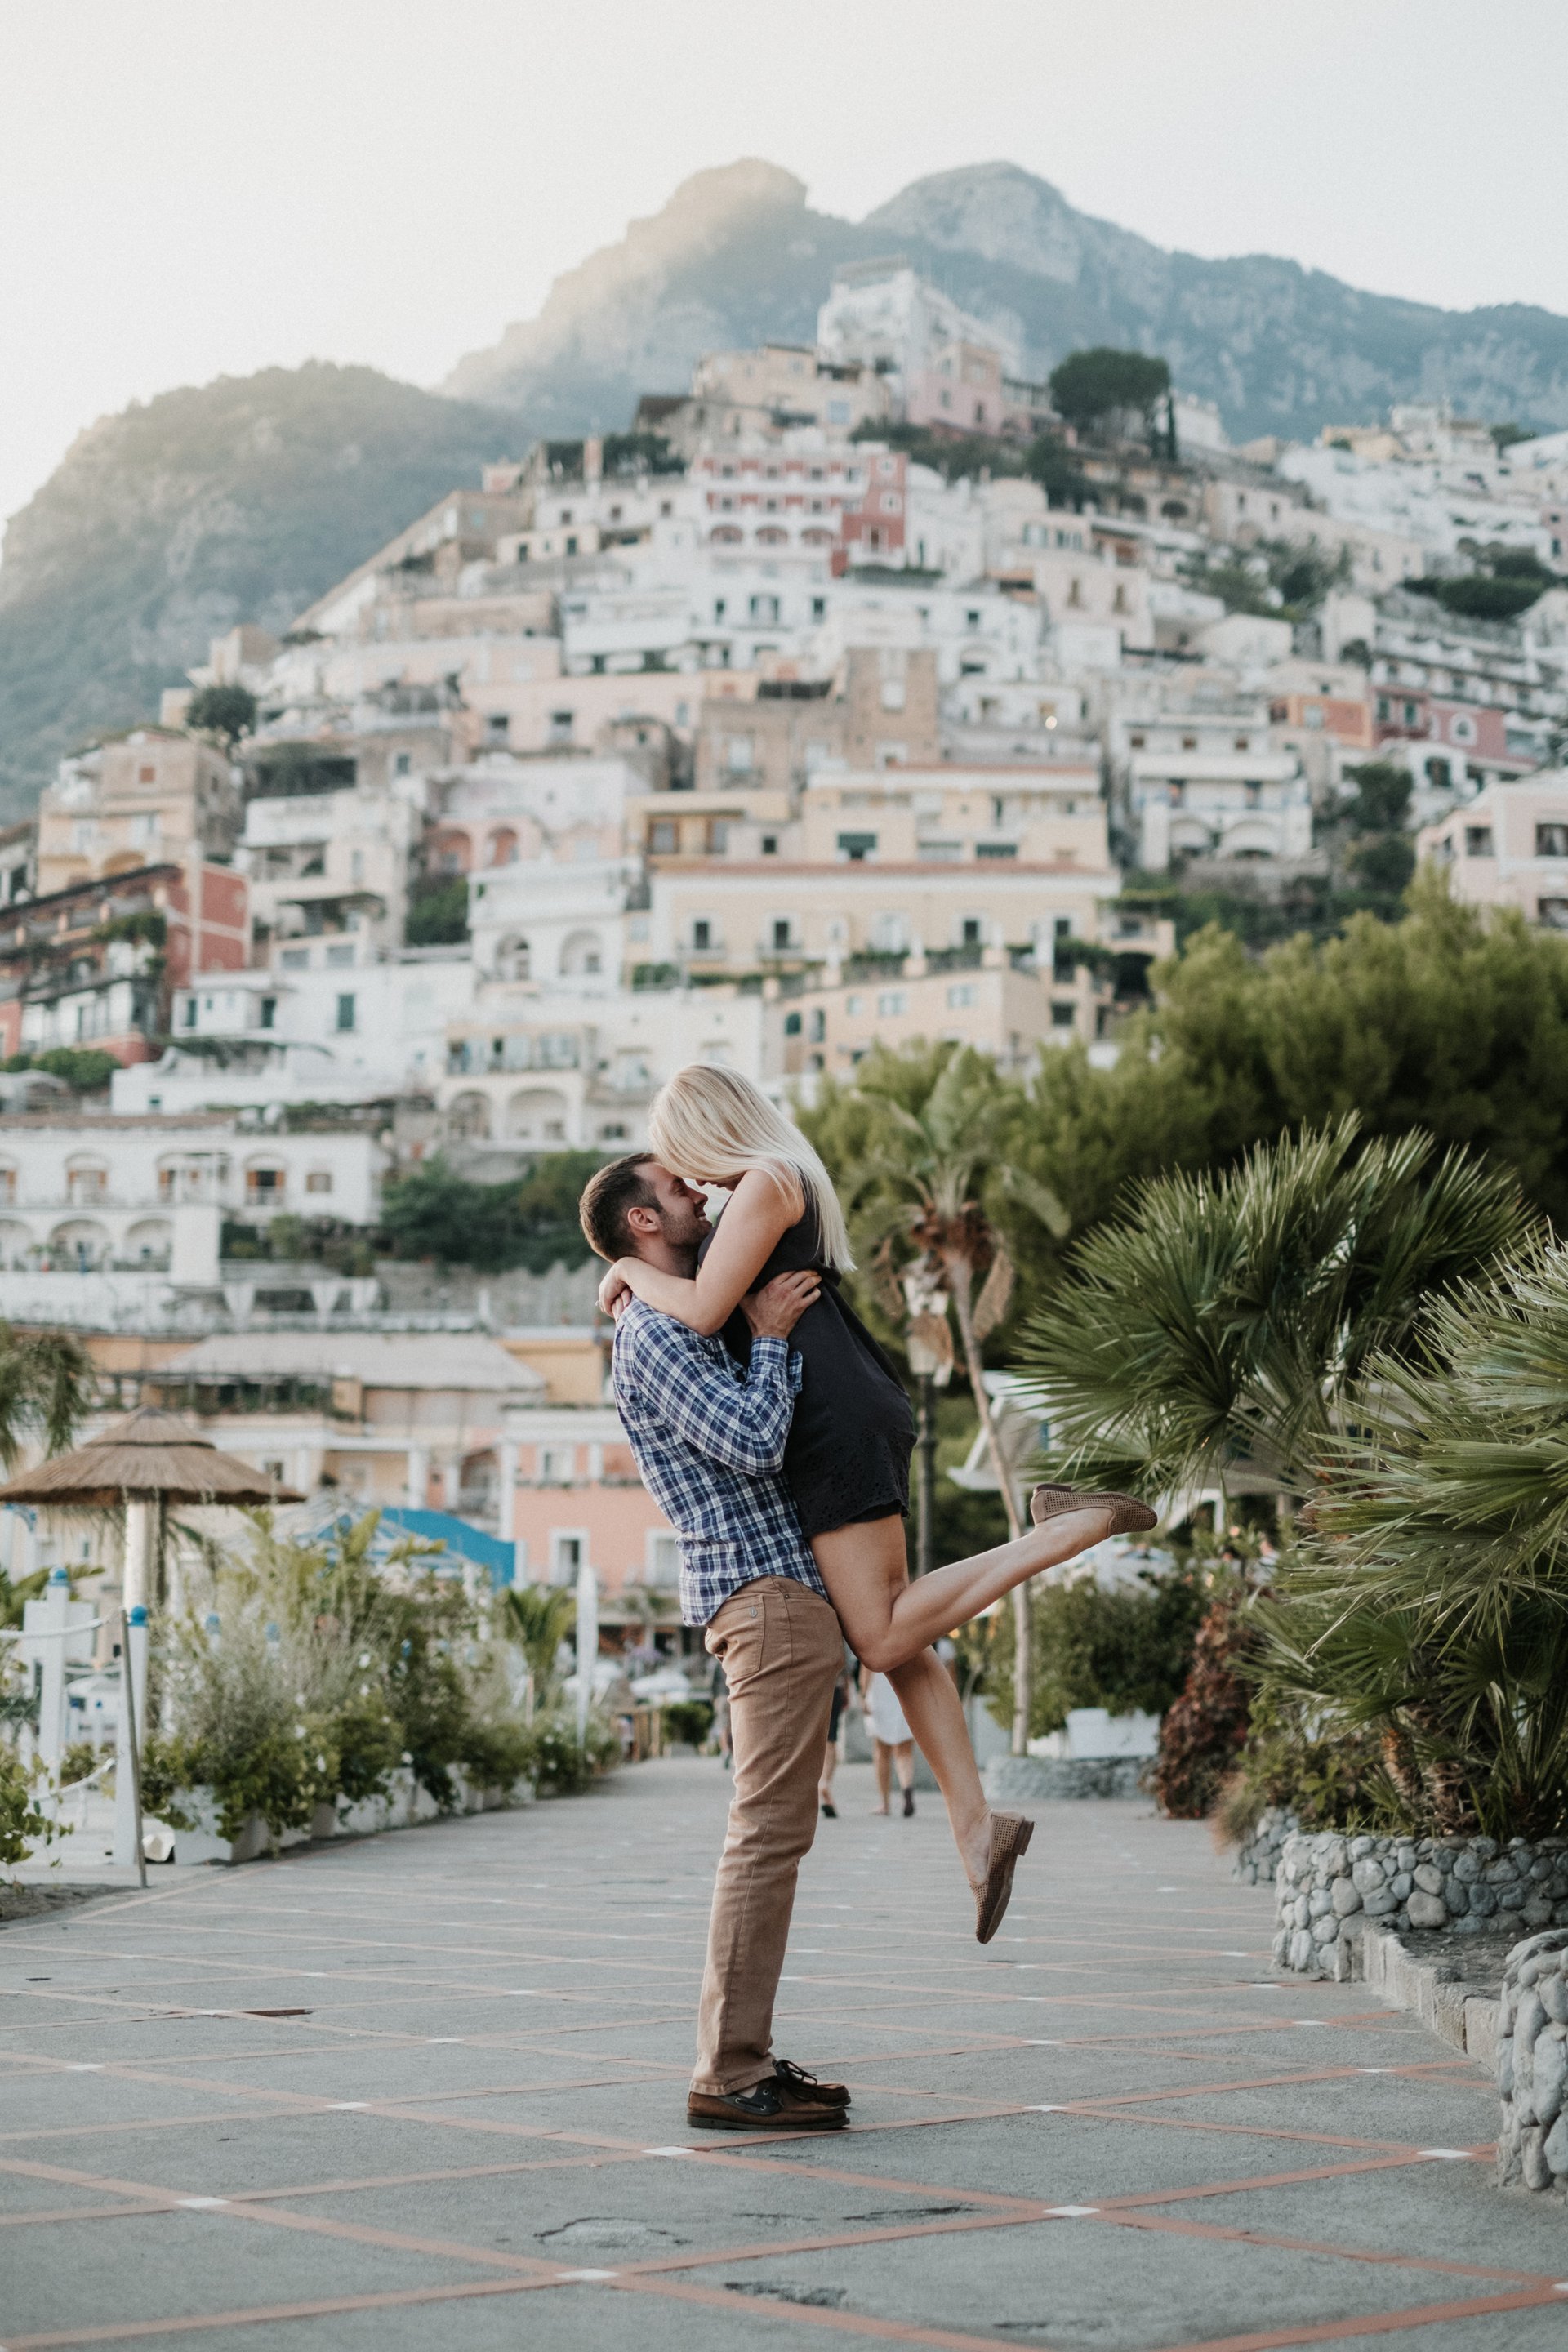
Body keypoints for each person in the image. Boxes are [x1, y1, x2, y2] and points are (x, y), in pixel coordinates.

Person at [597, 1067, 1156, 1941]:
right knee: (900, 1636)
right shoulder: (770, 1185)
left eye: (684, 1159)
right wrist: (633, 1278)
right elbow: (707, 1298)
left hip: (827, 1413)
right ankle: (977, 1832)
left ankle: (1062, 1531)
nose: (694, 1184)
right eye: (676, 1179)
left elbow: (705, 1312)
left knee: (884, 1633)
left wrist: (630, 1266)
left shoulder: (768, 1182)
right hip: (846, 1398)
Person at [580, 1152, 850, 2134]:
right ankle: (731, 2073)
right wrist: (774, 1337)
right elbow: (752, 1440)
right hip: (764, 1593)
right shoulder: (651, 1335)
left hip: (778, 1589)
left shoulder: (668, 1307)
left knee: (775, 1834)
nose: (703, 1197)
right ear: (642, 1225)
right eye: (681, 1190)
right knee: (767, 1836)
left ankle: (742, 2057)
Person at [863, 1666, 916, 1817]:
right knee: (904, 1751)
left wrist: (864, 1694)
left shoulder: (872, 1640)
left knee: (882, 1751)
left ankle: (885, 1803)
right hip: (903, 1691)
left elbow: (866, 1668)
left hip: (880, 1693)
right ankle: (906, 1787)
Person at [819, 1646, 853, 1818]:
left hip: (812, 1688)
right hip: (835, 1687)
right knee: (831, 1739)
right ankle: (825, 1782)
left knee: (815, 1739)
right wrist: (847, 1688)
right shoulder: (839, 1624)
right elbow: (846, 1661)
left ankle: (819, 1785)